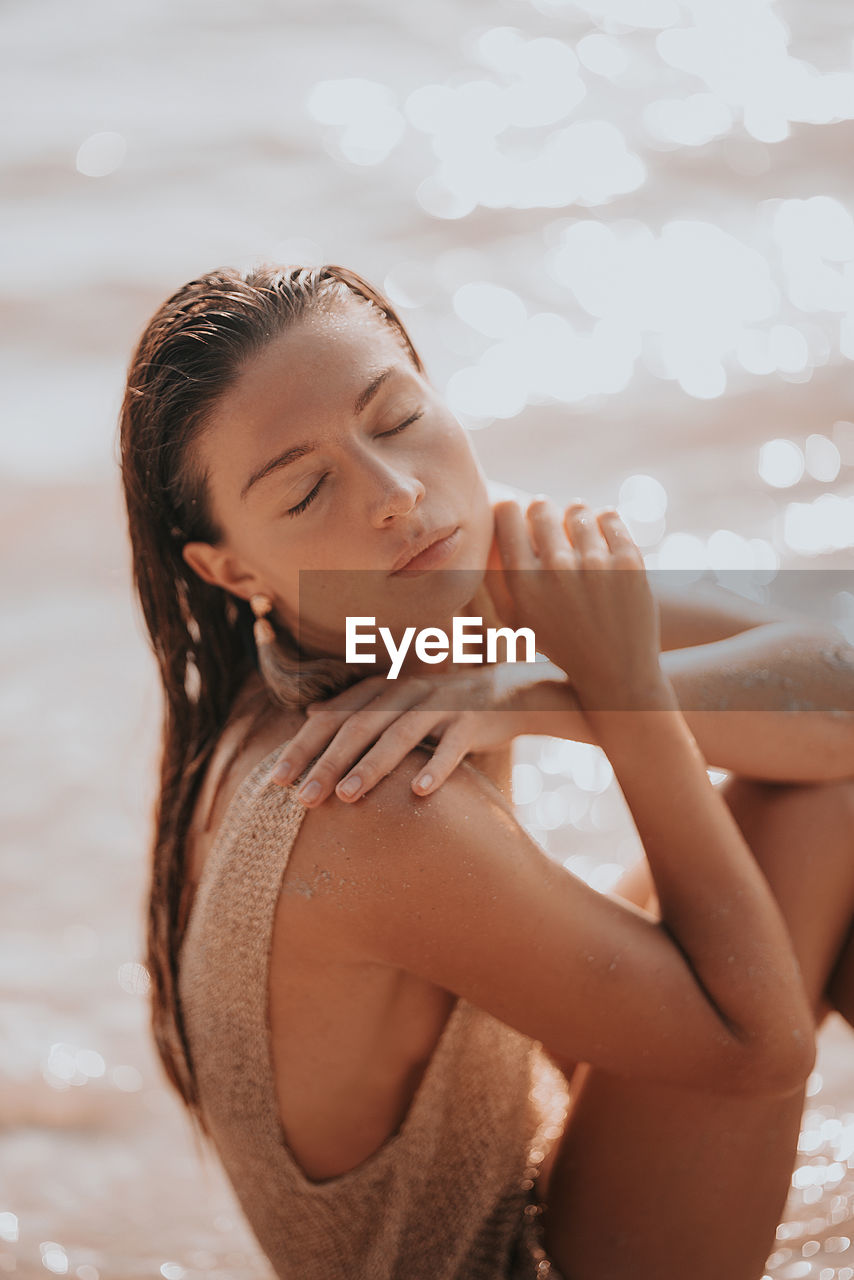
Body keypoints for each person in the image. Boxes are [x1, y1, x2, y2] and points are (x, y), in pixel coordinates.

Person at [119, 262, 854, 1280]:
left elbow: (838, 672)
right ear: (231, 569)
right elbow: (756, 1049)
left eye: (398, 414)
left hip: (536, 1134)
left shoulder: (414, 565)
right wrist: (618, 687)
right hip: (524, 1260)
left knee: (813, 776)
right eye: (304, 486)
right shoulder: (356, 805)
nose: (394, 491)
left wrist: (541, 687)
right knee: (833, 809)